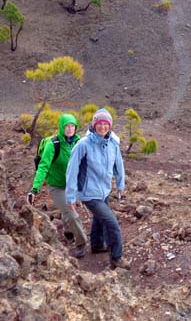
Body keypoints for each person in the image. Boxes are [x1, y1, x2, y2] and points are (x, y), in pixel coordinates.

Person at [65, 108, 129, 269]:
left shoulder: (112, 143)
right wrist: (71, 196)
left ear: (110, 125)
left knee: (100, 219)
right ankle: (116, 257)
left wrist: (120, 184)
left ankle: (97, 244)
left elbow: (118, 164)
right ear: (94, 125)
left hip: (104, 190)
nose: (102, 127)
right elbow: (72, 171)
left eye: (105, 124)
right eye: (99, 123)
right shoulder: (83, 145)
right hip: (89, 193)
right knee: (112, 223)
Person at [28, 114, 89, 258]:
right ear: (61, 127)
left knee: (68, 212)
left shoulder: (78, 142)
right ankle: (81, 243)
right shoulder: (53, 144)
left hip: (72, 185)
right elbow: (43, 167)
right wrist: (34, 189)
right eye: (66, 126)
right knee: (72, 215)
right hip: (57, 186)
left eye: (72, 126)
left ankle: (68, 231)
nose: (69, 129)